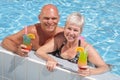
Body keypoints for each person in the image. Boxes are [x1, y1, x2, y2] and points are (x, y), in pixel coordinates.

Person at [36, 12, 110, 76]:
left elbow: (104, 67)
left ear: (80, 32)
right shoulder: (59, 40)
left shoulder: (85, 48)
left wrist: (90, 72)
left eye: (75, 30)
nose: (71, 33)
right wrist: (50, 59)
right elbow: (40, 51)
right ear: (64, 28)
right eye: (69, 28)